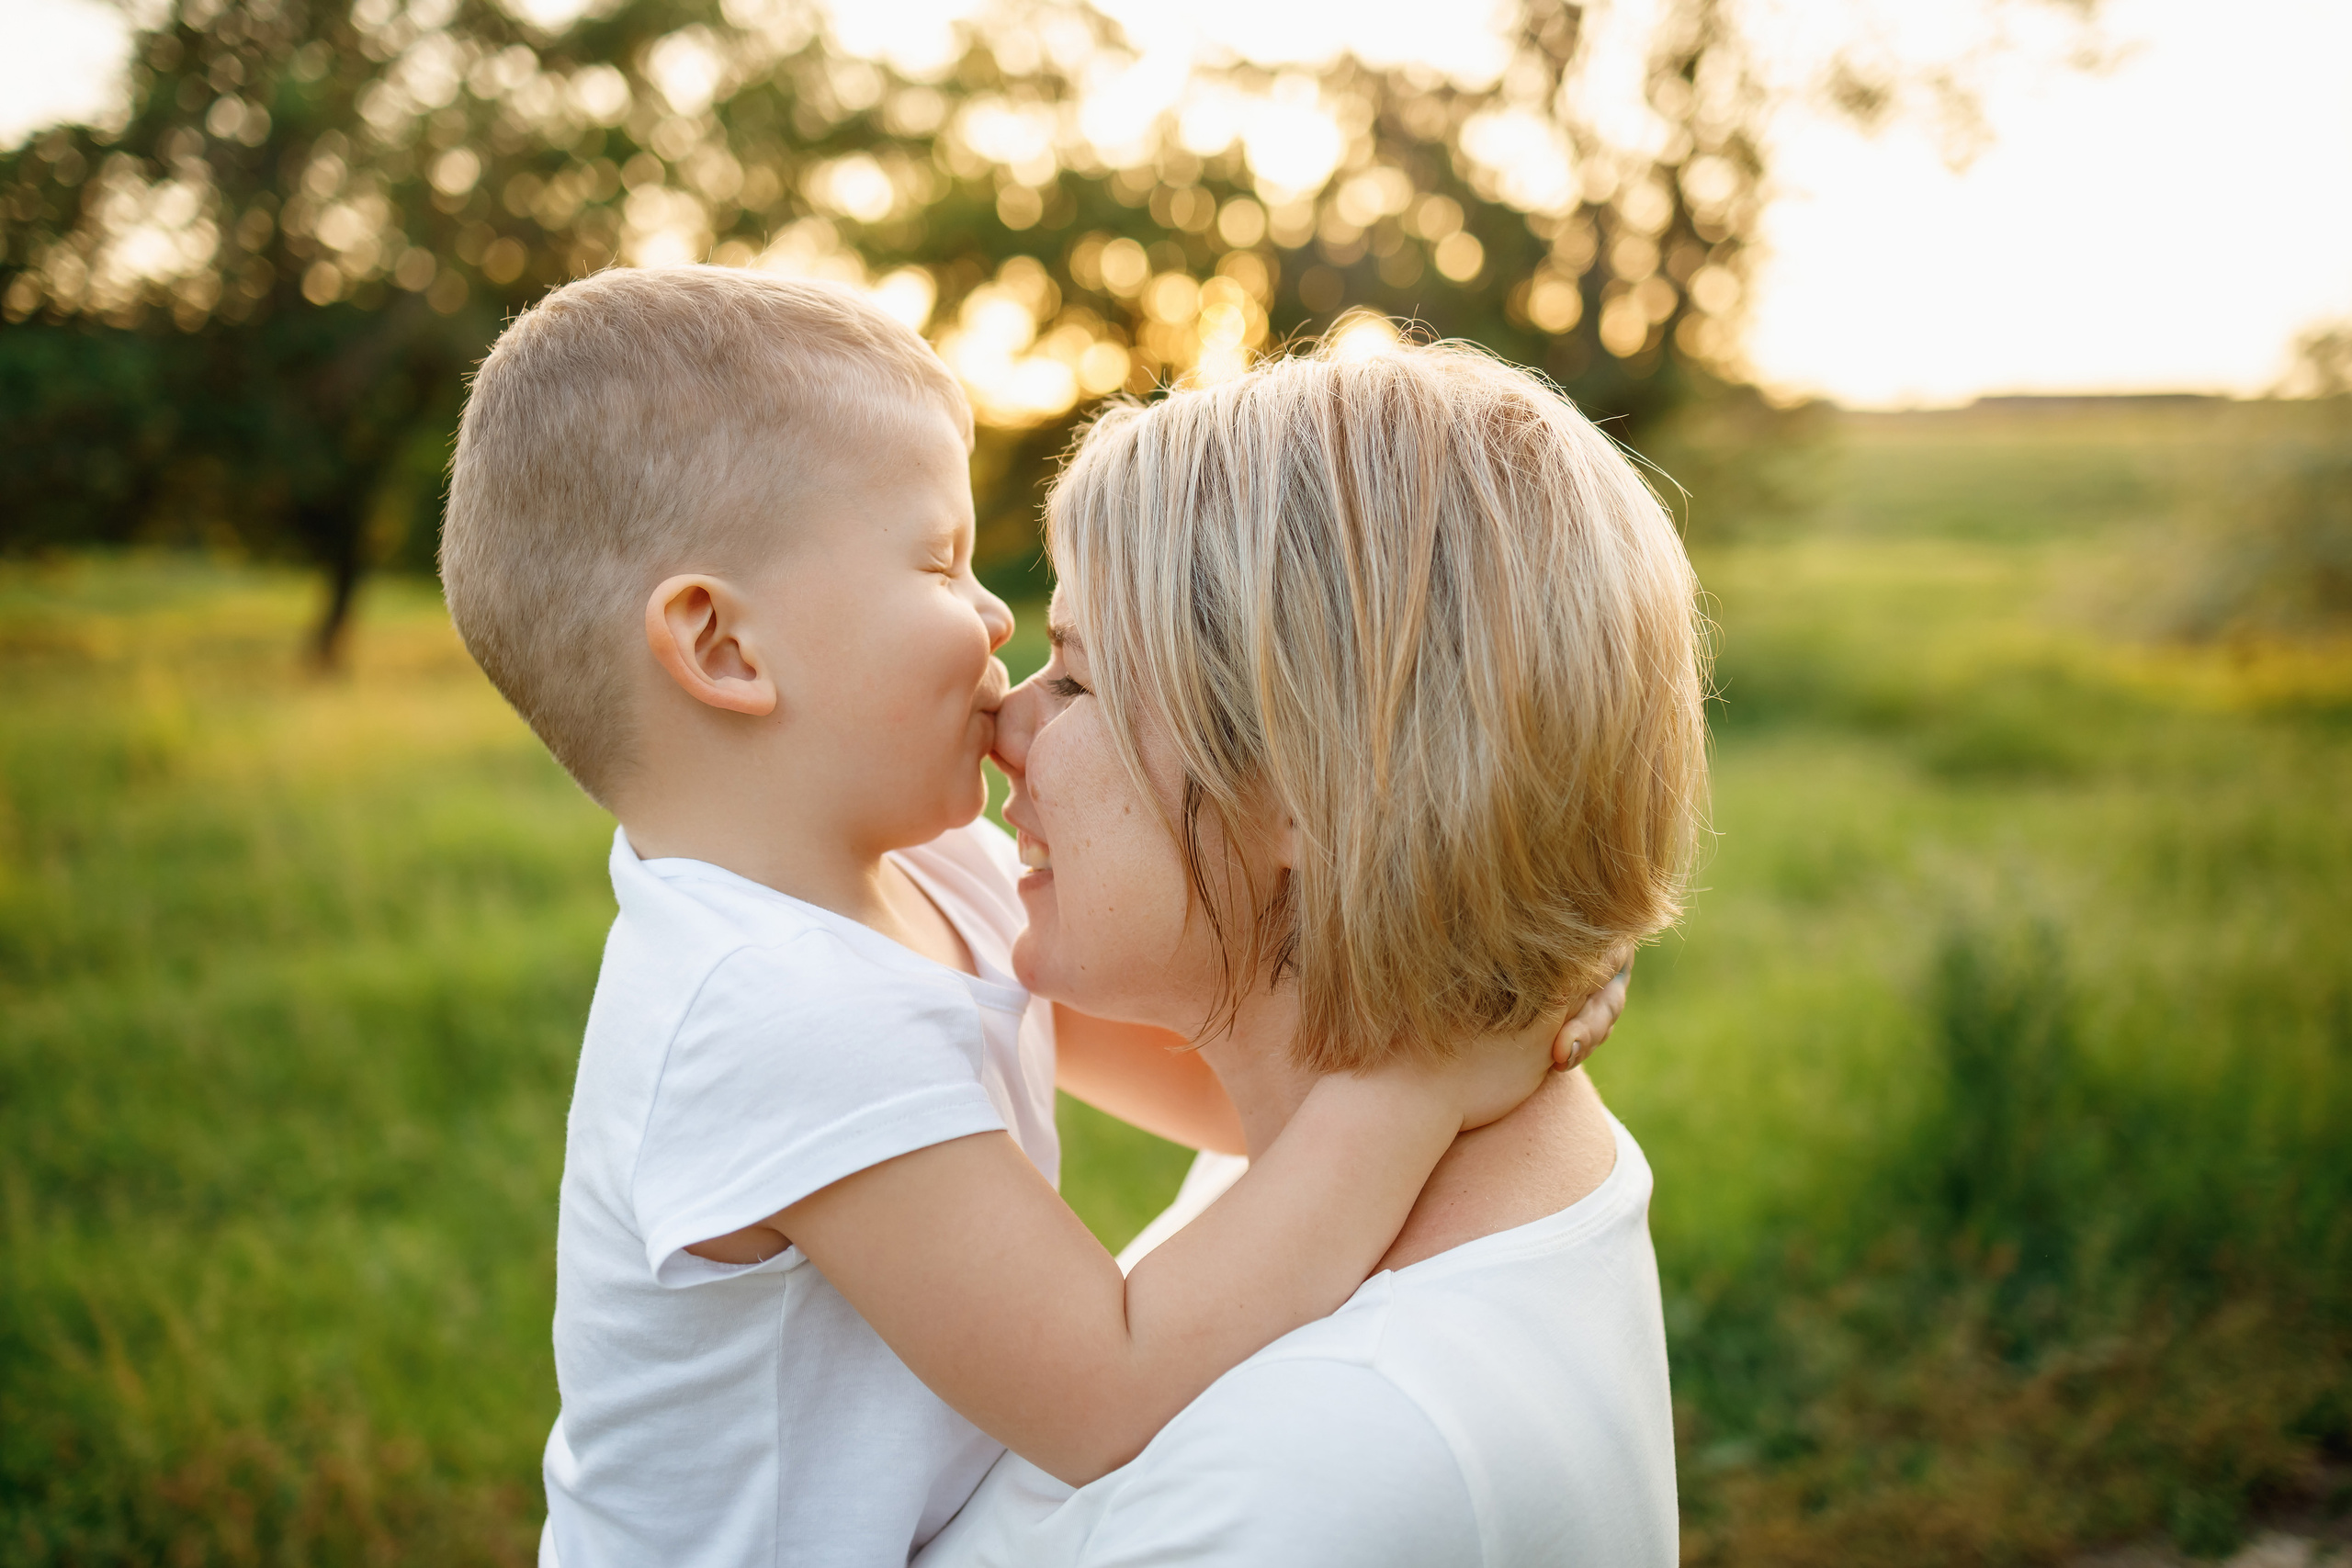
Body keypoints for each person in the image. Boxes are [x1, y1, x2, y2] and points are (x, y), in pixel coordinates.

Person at [438, 267, 1584, 1568]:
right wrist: (1416, 1090)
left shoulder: (937, 871)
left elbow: (1230, 1097)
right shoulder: (763, 1013)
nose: (994, 614)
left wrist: (1480, 990)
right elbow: (1107, 1385)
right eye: (938, 559)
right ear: (725, 650)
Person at [920, 331, 1709, 1568]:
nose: (1003, 725)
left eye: (1071, 680)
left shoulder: (1314, 1477)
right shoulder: (1369, 1151)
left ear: (1300, 786)